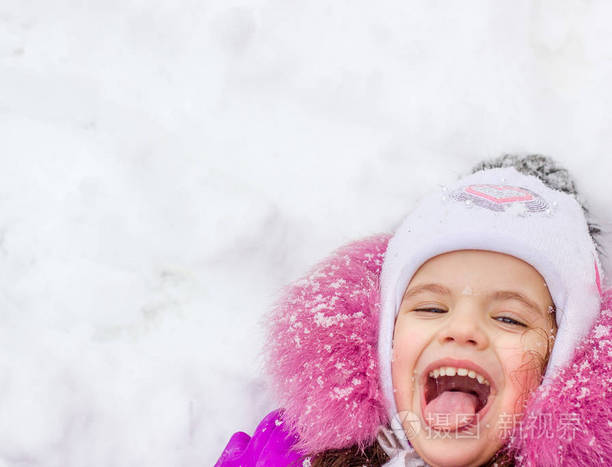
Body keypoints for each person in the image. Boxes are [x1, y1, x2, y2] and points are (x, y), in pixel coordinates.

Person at [214, 155, 611, 466]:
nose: (462, 328)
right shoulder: (289, 449)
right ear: (385, 336)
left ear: (561, 366)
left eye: (509, 318)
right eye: (432, 307)